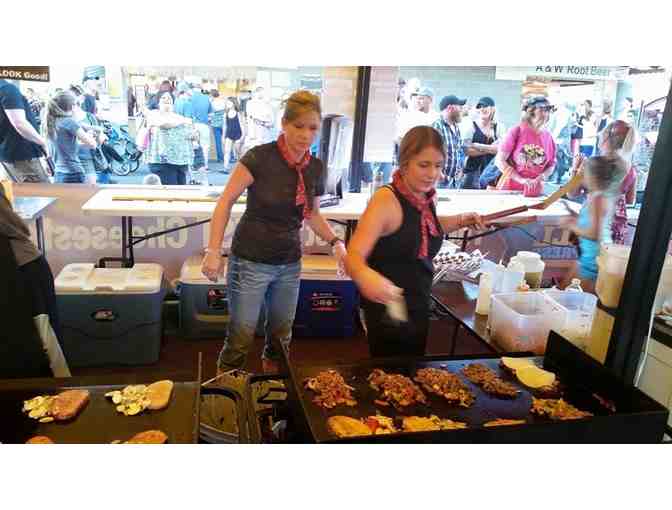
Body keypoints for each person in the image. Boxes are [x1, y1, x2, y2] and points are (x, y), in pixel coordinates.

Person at [201, 91, 347, 374]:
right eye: (299, 126)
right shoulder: (259, 157)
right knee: (241, 337)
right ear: (284, 124)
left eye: (313, 128)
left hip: (289, 263)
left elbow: (312, 214)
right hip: (250, 261)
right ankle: (225, 393)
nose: (306, 135)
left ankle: (274, 389)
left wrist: (336, 242)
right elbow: (225, 201)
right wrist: (213, 250)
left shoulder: (315, 167)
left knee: (281, 337)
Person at [344, 126, 485, 358]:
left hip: (419, 298)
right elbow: (353, 256)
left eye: (438, 165)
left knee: (414, 364)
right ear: (405, 163)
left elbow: (420, 228)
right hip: (388, 304)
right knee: (390, 371)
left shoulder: (427, 196)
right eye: (424, 165)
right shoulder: (385, 200)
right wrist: (365, 275)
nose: (432, 174)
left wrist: (461, 220)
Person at [0, 184, 67, 378]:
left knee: (41, 339)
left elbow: (12, 226)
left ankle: (58, 389)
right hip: (20, 264)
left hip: (18, 267)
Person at [562, 155, 627, 292]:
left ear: (592, 177)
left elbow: (594, 234)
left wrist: (571, 225)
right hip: (591, 254)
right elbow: (589, 222)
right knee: (565, 290)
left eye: (583, 174)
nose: (581, 177)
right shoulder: (596, 196)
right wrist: (573, 214)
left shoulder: (598, 199)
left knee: (571, 295)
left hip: (593, 257)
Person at [568, 120, 638, 245]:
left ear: (606, 137)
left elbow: (572, 193)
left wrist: (575, 168)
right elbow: (630, 200)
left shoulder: (593, 165)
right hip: (616, 232)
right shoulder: (631, 170)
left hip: (592, 227)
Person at [494, 96, 557, 197]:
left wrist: (542, 177)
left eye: (548, 110)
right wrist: (521, 180)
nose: (546, 114)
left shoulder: (549, 137)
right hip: (510, 191)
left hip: (535, 192)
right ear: (530, 112)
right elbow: (499, 161)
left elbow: (551, 165)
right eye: (542, 110)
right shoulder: (516, 131)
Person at [1, 80, 50, 183]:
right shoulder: (7, 89)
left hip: (8, 154)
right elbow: (19, 123)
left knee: (15, 191)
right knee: (42, 191)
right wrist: (43, 143)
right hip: (22, 155)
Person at [45, 91, 98, 184]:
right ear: (73, 106)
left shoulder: (51, 122)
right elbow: (92, 144)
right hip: (73, 172)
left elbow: (64, 146)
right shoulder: (69, 122)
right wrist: (90, 134)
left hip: (58, 172)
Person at [144, 91, 194, 185]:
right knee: (170, 190)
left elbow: (190, 133)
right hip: (162, 162)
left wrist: (194, 135)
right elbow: (163, 124)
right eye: (163, 98)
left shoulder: (178, 117)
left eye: (169, 98)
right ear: (158, 101)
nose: (167, 100)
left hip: (180, 161)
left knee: (181, 191)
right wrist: (183, 121)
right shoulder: (153, 114)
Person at [460, 96, 503, 190]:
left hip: (491, 175)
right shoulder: (471, 126)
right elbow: (467, 150)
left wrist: (478, 146)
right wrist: (490, 148)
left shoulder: (499, 127)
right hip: (472, 173)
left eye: (485, 106)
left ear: (493, 109)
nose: (482, 109)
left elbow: (501, 149)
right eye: (479, 107)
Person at [69, 85, 108, 184]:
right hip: (68, 162)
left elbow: (99, 141)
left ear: (82, 99)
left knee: (90, 189)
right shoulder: (65, 118)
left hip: (86, 160)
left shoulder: (90, 117)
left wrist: (95, 136)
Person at [432, 94, 466, 189]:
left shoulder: (456, 127)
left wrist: (460, 169)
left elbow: (458, 151)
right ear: (450, 108)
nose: (461, 110)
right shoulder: (437, 126)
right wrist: (439, 174)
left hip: (454, 182)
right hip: (440, 182)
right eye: (459, 107)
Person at [189, 82, 213, 172]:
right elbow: (211, 114)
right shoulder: (206, 98)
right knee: (205, 146)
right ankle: (204, 165)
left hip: (192, 124)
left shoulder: (189, 98)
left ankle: (192, 165)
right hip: (204, 124)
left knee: (192, 145)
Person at [223, 97, 245, 171]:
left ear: (233, 103)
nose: (227, 104)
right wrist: (223, 137)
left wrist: (243, 135)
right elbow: (225, 126)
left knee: (238, 152)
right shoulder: (225, 114)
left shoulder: (238, 114)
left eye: (229, 102)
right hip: (229, 134)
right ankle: (225, 167)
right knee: (227, 151)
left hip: (238, 134)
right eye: (227, 102)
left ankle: (241, 167)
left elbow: (242, 125)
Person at [210, 90, 227, 163]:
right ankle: (230, 156)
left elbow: (210, 114)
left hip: (215, 124)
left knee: (218, 142)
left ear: (211, 95)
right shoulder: (223, 101)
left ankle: (220, 158)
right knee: (227, 141)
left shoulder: (211, 103)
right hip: (224, 123)